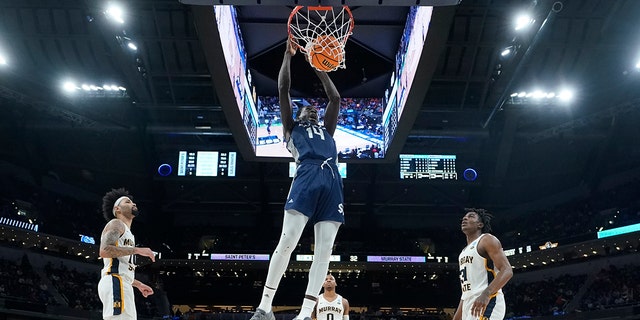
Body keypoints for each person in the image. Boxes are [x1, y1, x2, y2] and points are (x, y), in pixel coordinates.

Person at [250, 39, 344, 320]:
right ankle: (265, 306)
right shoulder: (291, 127)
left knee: (325, 250)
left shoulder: (327, 129)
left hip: (332, 180)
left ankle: (304, 313)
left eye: (315, 109)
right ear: (297, 115)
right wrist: (288, 56)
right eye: (307, 109)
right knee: (288, 240)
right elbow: (283, 88)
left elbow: (335, 98)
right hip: (306, 173)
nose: (313, 109)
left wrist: (319, 64)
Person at [98, 188, 156, 319]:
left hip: (122, 282)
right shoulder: (116, 223)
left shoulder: (128, 233)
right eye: (128, 202)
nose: (133, 204)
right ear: (117, 209)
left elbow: (121, 267)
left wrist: (138, 284)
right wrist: (137, 250)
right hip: (115, 281)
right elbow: (104, 250)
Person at [454, 208, 513, 320]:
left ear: (480, 224)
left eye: (471, 216)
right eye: (464, 217)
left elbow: (507, 270)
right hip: (468, 303)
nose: (465, 218)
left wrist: (486, 294)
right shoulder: (463, 253)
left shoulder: (487, 240)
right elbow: (466, 292)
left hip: (487, 299)